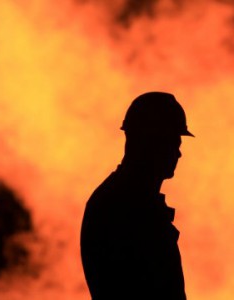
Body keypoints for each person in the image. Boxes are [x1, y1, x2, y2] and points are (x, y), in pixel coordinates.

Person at [80, 92, 193, 300]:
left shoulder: (123, 200)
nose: (178, 153)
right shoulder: (124, 207)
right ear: (150, 143)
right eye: (172, 143)